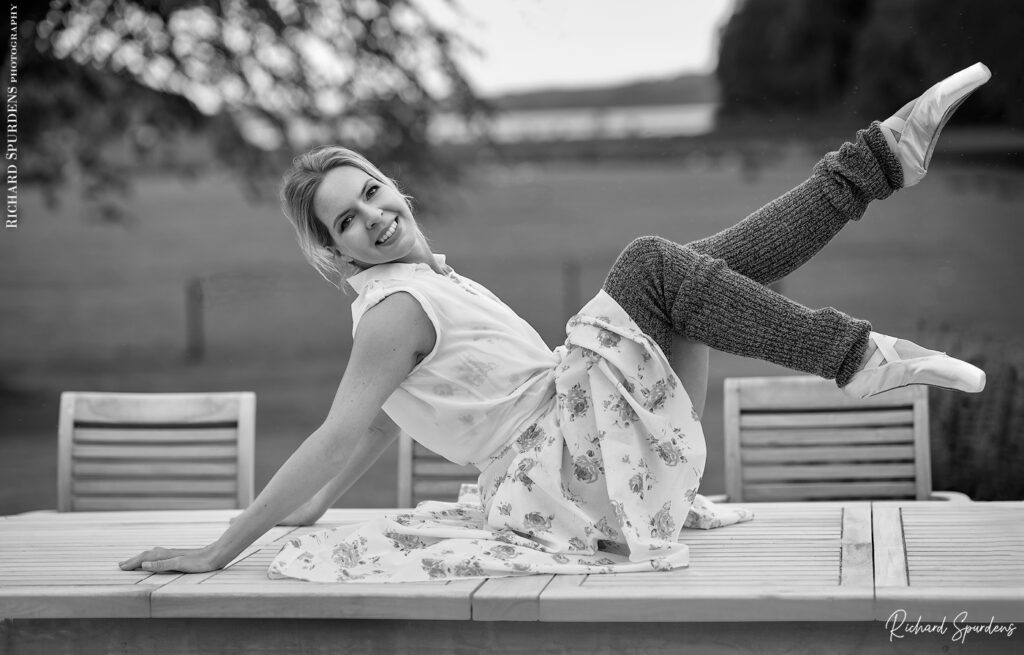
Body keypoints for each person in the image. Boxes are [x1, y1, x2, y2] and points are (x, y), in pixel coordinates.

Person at [119, 63, 990, 582]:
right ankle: (856, 348)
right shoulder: (392, 310)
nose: (374, 216)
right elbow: (339, 430)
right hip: (572, 469)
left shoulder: (421, 282)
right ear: (337, 253)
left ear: (394, 185)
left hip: (590, 455)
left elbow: (376, 435)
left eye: (372, 191)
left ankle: (881, 159)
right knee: (656, 264)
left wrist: (304, 514)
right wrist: (221, 547)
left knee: (693, 274)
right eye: (346, 220)